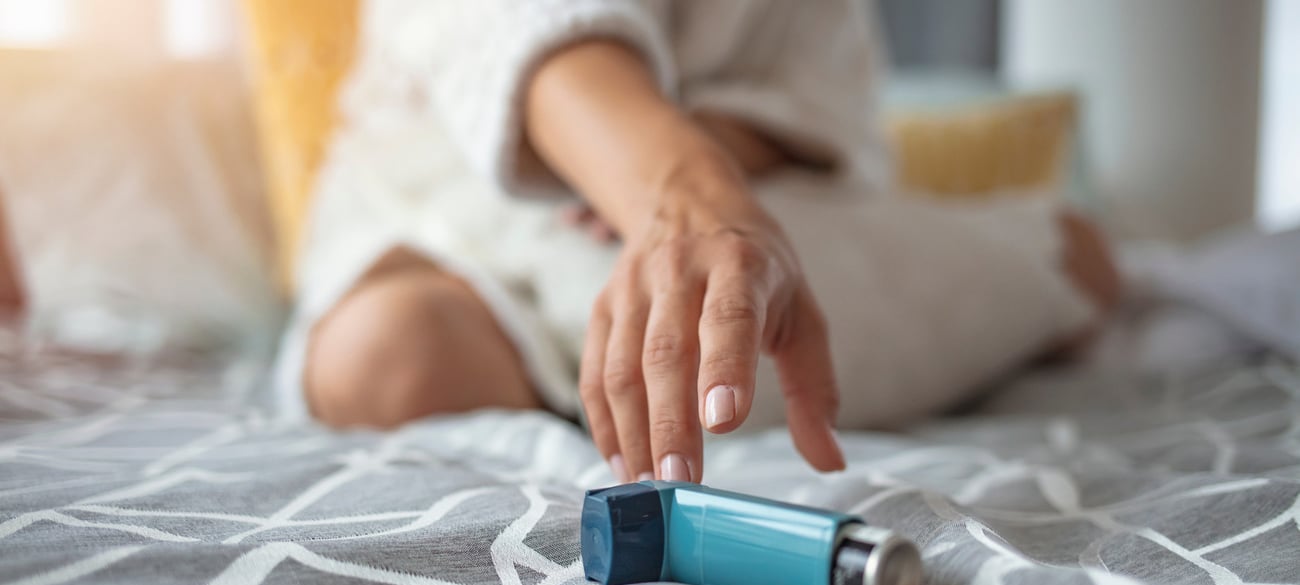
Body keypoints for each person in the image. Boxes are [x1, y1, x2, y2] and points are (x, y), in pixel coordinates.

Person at [280, 0, 1120, 484]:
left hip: (752, 201)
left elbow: (818, 107)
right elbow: (534, 41)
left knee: (1072, 258)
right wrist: (678, 190)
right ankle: (578, 389)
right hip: (460, 210)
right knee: (390, 355)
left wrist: (715, 160)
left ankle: (636, 370)